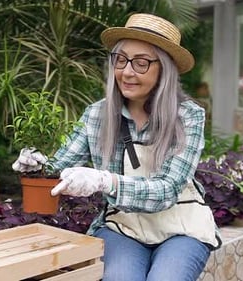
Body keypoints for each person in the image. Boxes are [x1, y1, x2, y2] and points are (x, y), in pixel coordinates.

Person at [12, 13, 221, 281]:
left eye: (141, 63)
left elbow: (167, 190)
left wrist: (105, 181)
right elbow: (57, 168)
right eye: (120, 60)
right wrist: (36, 166)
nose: (127, 71)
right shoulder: (96, 115)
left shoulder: (188, 116)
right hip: (123, 227)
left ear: (164, 70)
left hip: (181, 226)